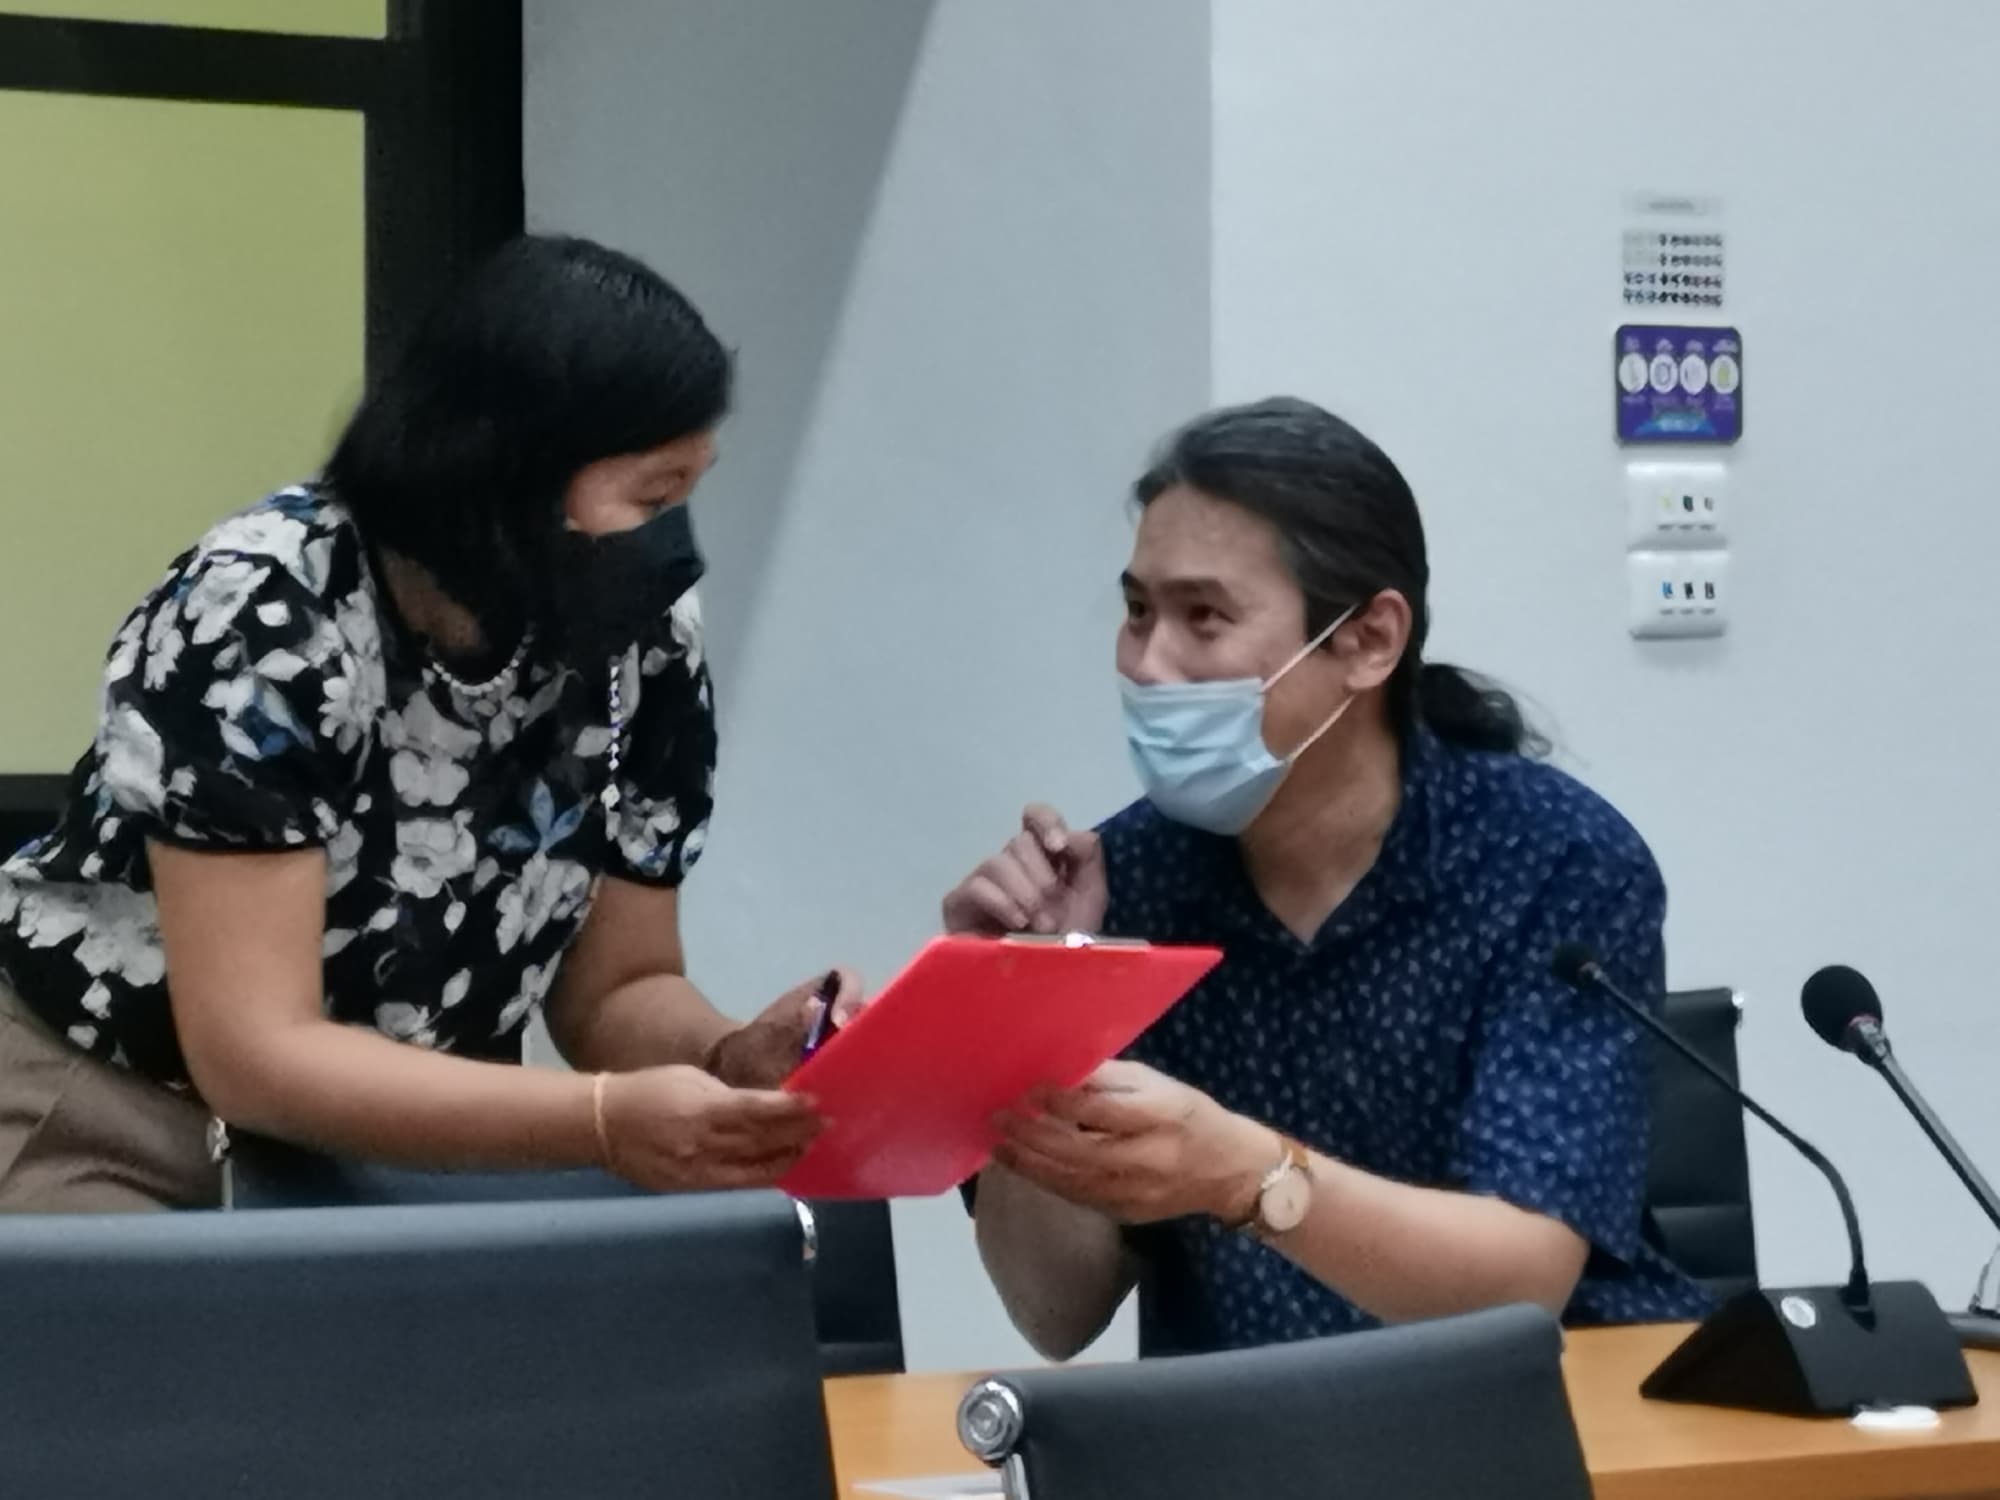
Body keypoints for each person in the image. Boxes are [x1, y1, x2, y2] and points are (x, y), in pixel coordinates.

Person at [0, 235, 857, 1212]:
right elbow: (255, 1053)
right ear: (513, 471)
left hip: (399, 1151)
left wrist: (726, 1058)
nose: (674, 541)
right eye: (654, 496)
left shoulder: (640, 641)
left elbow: (617, 990)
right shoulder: (268, 609)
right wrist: (601, 1122)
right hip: (115, 1117)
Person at [945, 397, 1709, 1358]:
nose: (1147, 663)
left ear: (1369, 641)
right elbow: (1055, 1316)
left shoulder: (1552, 861)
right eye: (1138, 611)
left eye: (1203, 617)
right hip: (1245, 1427)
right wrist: (1031, 1008)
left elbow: (1524, 1284)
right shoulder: (1121, 881)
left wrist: (1249, 1176)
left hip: (1540, 1412)